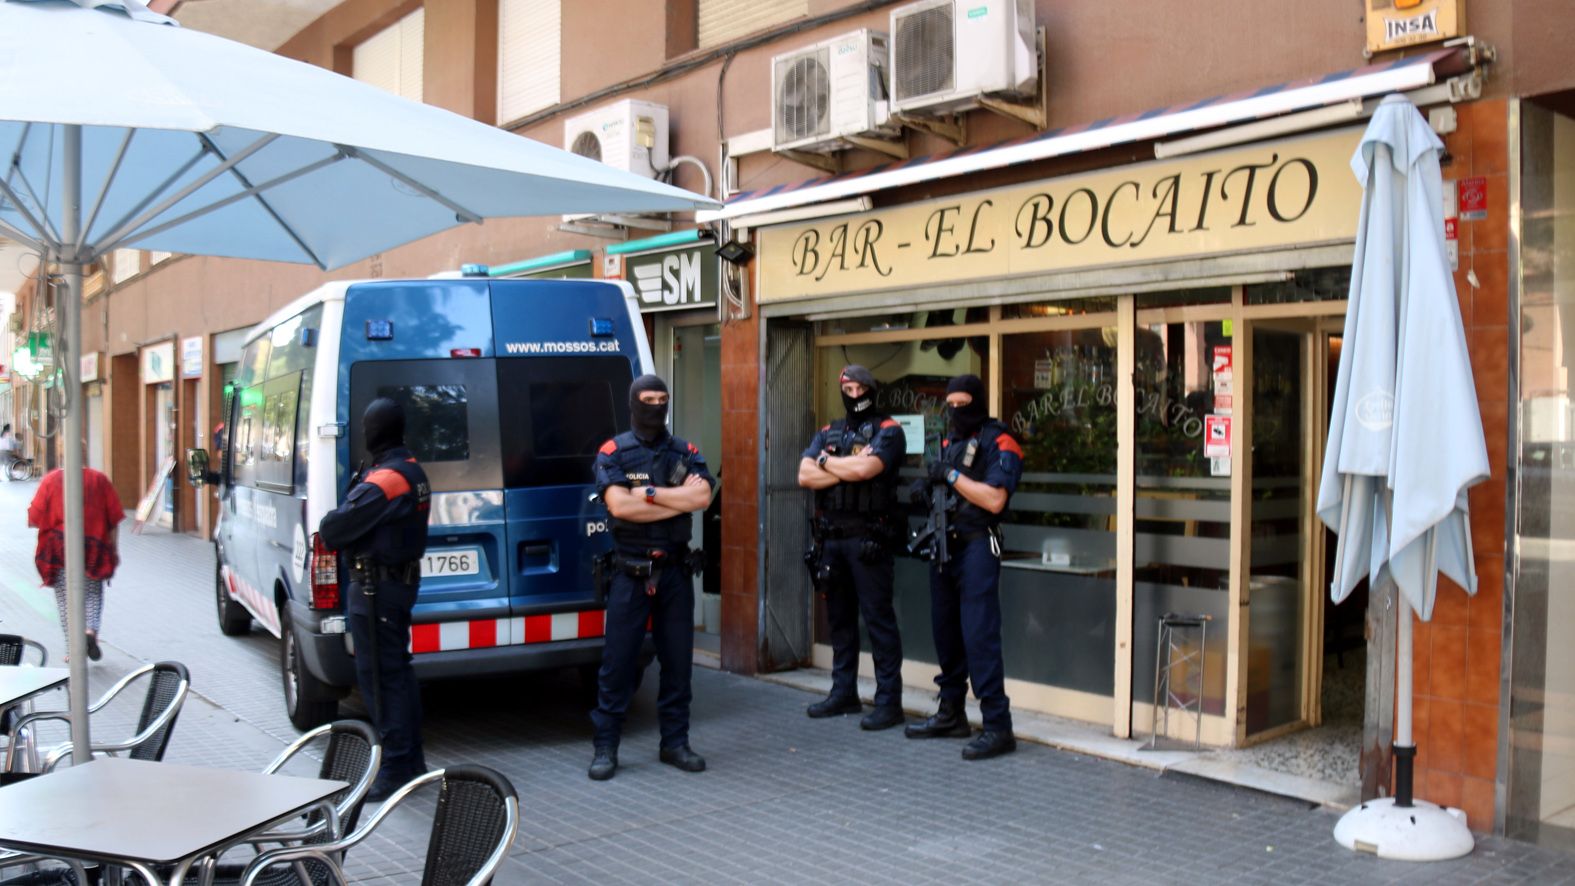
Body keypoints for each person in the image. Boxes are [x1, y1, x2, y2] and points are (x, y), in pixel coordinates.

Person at [587, 374, 716, 781]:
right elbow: (619, 508)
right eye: (648, 399)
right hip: (630, 572)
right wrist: (671, 500)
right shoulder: (614, 452)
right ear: (633, 403)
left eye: (662, 399)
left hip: (676, 572)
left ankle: (675, 743)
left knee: (678, 664)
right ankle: (606, 747)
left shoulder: (685, 451)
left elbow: (702, 497)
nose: (656, 406)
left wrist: (647, 495)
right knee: (617, 665)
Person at [905, 374, 1024, 760]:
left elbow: (993, 499)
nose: (956, 411)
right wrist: (929, 488)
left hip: (977, 545)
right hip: (945, 544)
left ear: (978, 402)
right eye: (950, 404)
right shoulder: (948, 441)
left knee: (979, 636)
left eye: (963, 404)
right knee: (947, 634)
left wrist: (952, 477)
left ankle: (997, 725)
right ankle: (951, 712)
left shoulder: (999, 441)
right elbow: (943, 482)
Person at [318, 398, 430, 801]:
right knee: (397, 672)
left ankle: (397, 768)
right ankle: (410, 761)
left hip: (377, 590)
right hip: (390, 587)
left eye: (367, 426)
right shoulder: (408, 469)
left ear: (375, 430)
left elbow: (334, 527)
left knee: (381, 678)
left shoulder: (387, 478)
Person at [796, 364, 907, 730]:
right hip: (831, 539)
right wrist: (845, 463)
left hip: (868, 539)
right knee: (840, 621)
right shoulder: (829, 430)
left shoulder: (888, 430)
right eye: (848, 387)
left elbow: (867, 471)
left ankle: (889, 702)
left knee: (878, 622)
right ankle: (844, 693)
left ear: (872, 389)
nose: (854, 394)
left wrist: (827, 462)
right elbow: (803, 475)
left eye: (861, 388)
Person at [27, 451, 124, 661]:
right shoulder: (99, 480)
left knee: (65, 599)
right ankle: (89, 631)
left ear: (62, 455)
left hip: (59, 546)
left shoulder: (51, 480)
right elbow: (113, 518)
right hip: (94, 545)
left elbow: (35, 516)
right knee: (93, 593)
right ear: (85, 456)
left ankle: (73, 649)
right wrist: (113, 549)